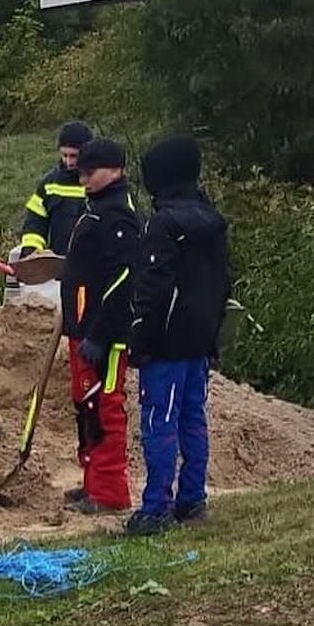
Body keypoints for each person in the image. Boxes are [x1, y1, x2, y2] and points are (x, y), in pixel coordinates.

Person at [125, 136, 232, 536]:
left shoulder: (162, 226)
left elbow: (153, 290)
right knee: (193, 419)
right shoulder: (213, 222)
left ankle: (155, 508)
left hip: (166, 345)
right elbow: (223, 283)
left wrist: (140, 340)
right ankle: (193, 498)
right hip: (201, 339)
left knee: (159, 423)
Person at [60, 138, 141, 515]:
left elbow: (125, 281)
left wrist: (101, 333)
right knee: (86, 408)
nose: (84, 180)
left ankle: (109, 493)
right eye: (80, 174)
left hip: (102, 336)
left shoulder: (118, 216)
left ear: (115, 169)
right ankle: (92, 480)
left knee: (105, 407)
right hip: (81, 329)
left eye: (90, 173)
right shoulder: (95, 210)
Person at [18, 120, 92, 257]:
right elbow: (35, 222)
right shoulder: (50, 184)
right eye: (64, 155)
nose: (68, 162)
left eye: (74, 156)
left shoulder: (100, 182)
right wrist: (31, 250)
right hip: (58, 266)